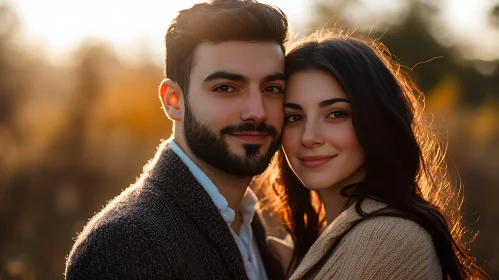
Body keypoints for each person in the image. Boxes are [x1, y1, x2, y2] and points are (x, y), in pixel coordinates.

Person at [64, 1, 289, 279]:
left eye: (272, 88)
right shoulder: (123, 243)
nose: (257, 110)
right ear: (173, 101)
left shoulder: (249, 224)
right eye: (226, 88)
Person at [261, 32, 487, 279]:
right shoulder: (301, 246)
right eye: (294, 117)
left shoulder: (389, 239)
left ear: (376, 121)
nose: (309, 137)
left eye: (336, 114)